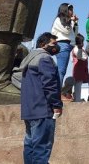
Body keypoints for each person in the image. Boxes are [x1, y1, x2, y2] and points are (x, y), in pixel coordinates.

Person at [20, 32, 62, 164]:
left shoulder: (29, 59)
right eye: (54, 44)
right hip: (43, 110)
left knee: (30, 146)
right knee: (41, 149)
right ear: (43, 44)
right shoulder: (44, 58)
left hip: (29, 110)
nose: (56, 47)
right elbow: (49, 84)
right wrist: (56, 105)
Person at [51, 3, 78, 98]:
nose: (72, 12)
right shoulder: (58, 20)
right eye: (70, 10)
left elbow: (75, 34)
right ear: (65, 10)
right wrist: (72, 21)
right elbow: (66, 31)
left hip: (67, 45)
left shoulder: (68, 21)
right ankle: (56, 94)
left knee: (62, 70)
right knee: (61, 70)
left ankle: (56, 92)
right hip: (62, 44)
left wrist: (76, 23)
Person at [71, 33, 89, 102]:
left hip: (83, 69)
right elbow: (80, 57)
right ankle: (77, 99)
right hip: (78, 69)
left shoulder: (81, 48)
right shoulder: (76, 49)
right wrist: (80, 48)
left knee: (79, 83)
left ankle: (77, 98)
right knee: (78, 84)